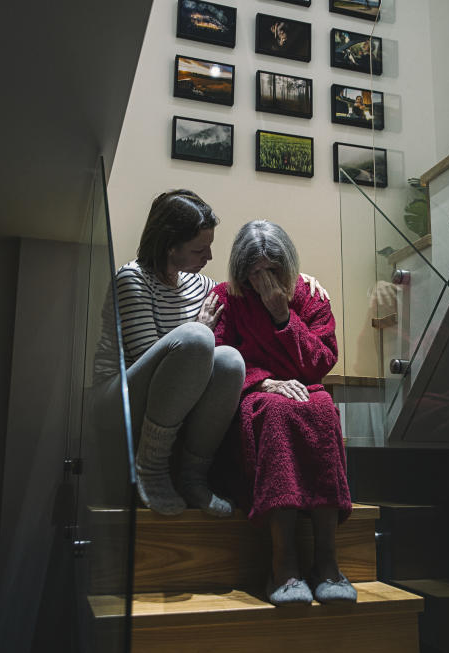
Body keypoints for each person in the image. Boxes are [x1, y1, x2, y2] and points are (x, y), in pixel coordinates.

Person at [94, 190, 329, 518]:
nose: (209, 255)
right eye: (199, 248)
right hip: (123, 395)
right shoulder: (132, 279)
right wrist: (198, 328)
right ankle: (152, 465)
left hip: (176, 398)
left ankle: (192, 475)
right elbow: (156, 358)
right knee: (198, 336)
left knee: (230, 359)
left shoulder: (201, 285)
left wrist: (298, 277)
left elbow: (244, 289)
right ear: (170, 246)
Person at [211, 220, 355, 606]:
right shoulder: (229, 298)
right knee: (274, 413)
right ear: (243, 272)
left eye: (273, 270)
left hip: (304, 387)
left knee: (323, 406)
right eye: (255, 272)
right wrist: (262, 383)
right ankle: (283, 563)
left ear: (287, 266)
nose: (265, 281)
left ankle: (327, 560)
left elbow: (321, 360)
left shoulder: (309, 295)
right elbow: (223, 355)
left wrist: (283, 319)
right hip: (256, 392)